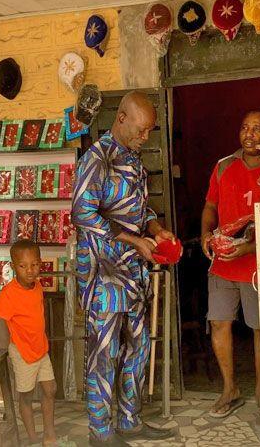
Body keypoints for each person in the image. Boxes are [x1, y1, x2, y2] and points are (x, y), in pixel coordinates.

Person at [72, 91, 175, 446]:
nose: (145, 138)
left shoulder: (132, 157)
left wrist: (155, 229)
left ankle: (130, 420)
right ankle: (100, 433)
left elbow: (137, 209)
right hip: (103, 276)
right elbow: (82, 214)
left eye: (149, 132)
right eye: (142, 130)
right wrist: (133, 241)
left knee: (138, 347)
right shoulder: (96, 159)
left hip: (133, 273)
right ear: (122, 118)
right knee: (105, 353)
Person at [200, 110, 260, 418]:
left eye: (257, 129)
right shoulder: (223, 167)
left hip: (257, 264)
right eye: (245, 127)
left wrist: (248, 248)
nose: (249, 133)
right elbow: (210, 205)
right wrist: (206, 232)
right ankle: (229, 389)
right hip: (222, 264)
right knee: (219, 322)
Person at [0, 240, 71, 447]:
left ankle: (49, 436)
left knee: (50, 389)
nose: (30, 270)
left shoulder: (37, 286)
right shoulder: (9, 294)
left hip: (41, 349)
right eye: (23, 266)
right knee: (26, 396)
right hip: (22, 352)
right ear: (12, 266)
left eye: (35, 265)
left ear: (40, 263)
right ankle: (33, 439)